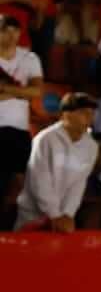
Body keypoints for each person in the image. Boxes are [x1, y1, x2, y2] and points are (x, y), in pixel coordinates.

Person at [15, 92, 99, 230]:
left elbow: (78, 184)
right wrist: (55, 215)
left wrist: (67, 213)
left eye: (92, 113)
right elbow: (40, 180)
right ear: (67, 114)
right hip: (32, 213)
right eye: (83, 113)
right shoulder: (45, 140)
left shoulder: (91, 147)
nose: (89, 118)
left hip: (63, 217)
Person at [0, 13, 44, 226]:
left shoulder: (29, 58)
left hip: (18, 130)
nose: (10, 36)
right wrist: (21, 91)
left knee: (19, 183)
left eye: (15, 31)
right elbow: (29, 90)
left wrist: (7, 89)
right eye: (5, 31)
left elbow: (37, 91)